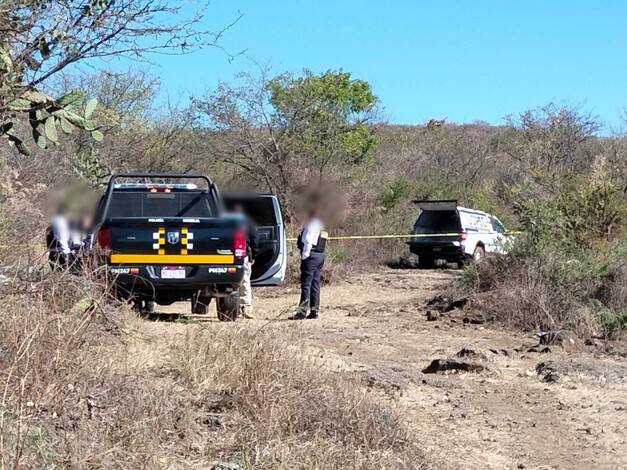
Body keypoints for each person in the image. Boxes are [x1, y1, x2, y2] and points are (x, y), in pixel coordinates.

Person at [290, 209, 327, 320]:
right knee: (315, 284)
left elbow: (308, 240)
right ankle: (314, 311)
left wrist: (304, 256)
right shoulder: (322, 225)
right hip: (320, 256)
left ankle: (301, 312)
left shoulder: (312, 224)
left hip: (311, 256)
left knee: (306, 285)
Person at [233, 204, 259, 319]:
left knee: (232, 282)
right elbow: (255, 239)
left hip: (228, 256)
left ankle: (234, 308)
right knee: (245, 281)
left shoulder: (227, 222)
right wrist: (254, 254)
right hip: (243, 254)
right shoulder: (248, 222)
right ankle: (246, 308)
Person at [47, 205, 73, 270]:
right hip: (60, 253)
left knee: (57, 273)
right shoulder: (61, 222)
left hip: (53, 252)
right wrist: (66, 253)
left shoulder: (55, 222)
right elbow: (62, 238)